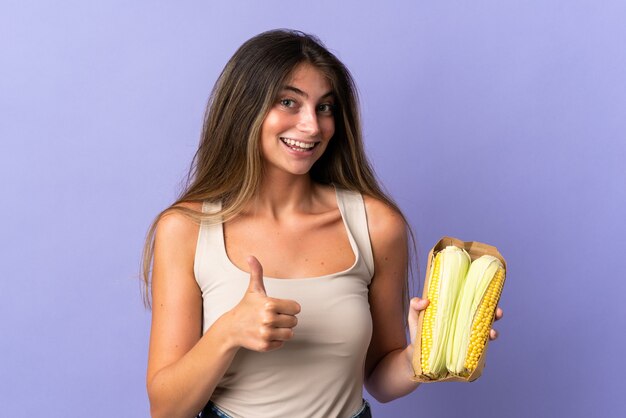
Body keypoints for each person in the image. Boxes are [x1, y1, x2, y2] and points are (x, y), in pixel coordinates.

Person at [142, 29, 502, 418]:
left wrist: (420, 355)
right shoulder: (187, 228)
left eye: (325, 107)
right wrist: (228, 332)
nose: (312, 126)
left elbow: (380, 380)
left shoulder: (376, 226)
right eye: (288, 102)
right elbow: (166, 409)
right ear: (244, 108)